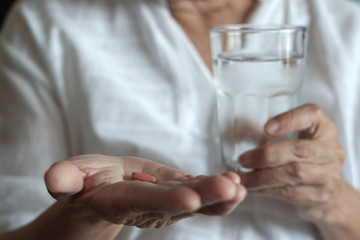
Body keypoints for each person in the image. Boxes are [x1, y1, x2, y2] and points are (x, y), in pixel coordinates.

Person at [0, 0, 360, 239]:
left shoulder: (349, 28)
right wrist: (91, 214)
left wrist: (334, 200)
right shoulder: (47, 23)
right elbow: (13, 223)